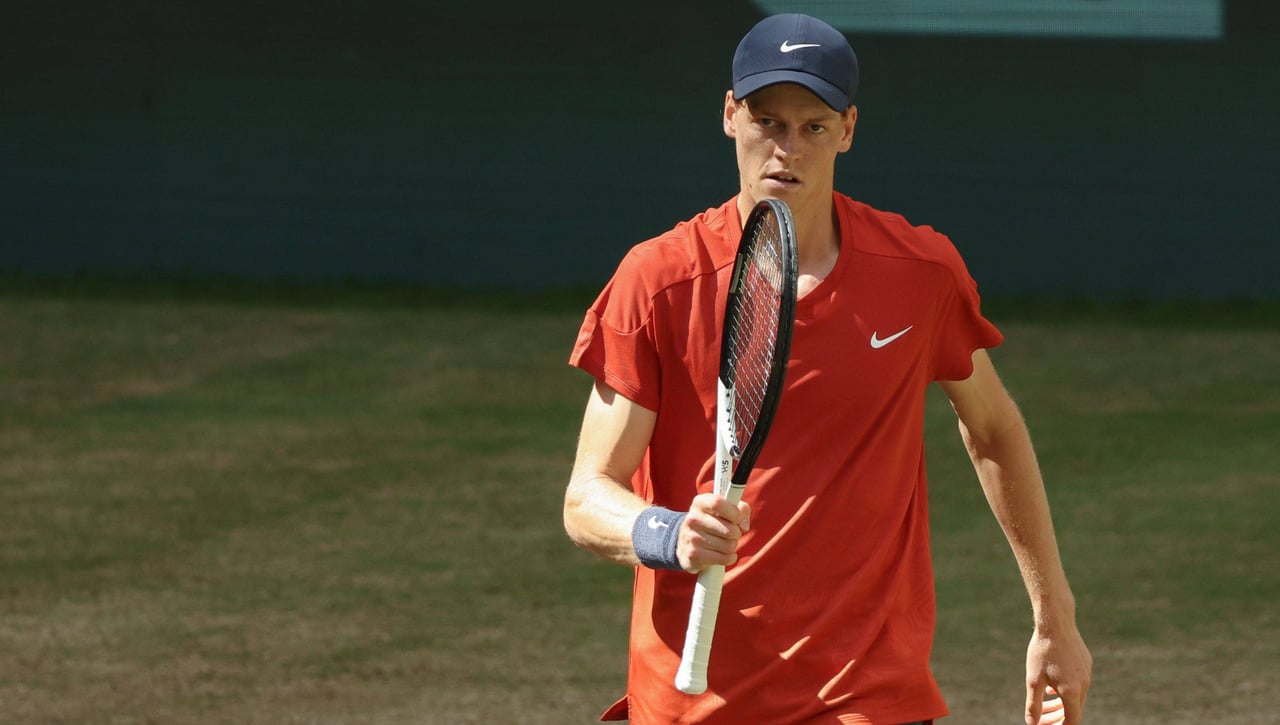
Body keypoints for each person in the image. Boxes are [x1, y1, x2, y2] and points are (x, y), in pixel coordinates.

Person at [563, 13, 1092, 725]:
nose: (787, 149)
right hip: (690, 701)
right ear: (729, 114)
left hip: (866, 694)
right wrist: (670, 534)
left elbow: (993, 429)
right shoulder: (657, 281)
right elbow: (587, 497)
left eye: (813, 127)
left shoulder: (920, 273)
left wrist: (1055, 615)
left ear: (848, 130)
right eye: (767, 121)